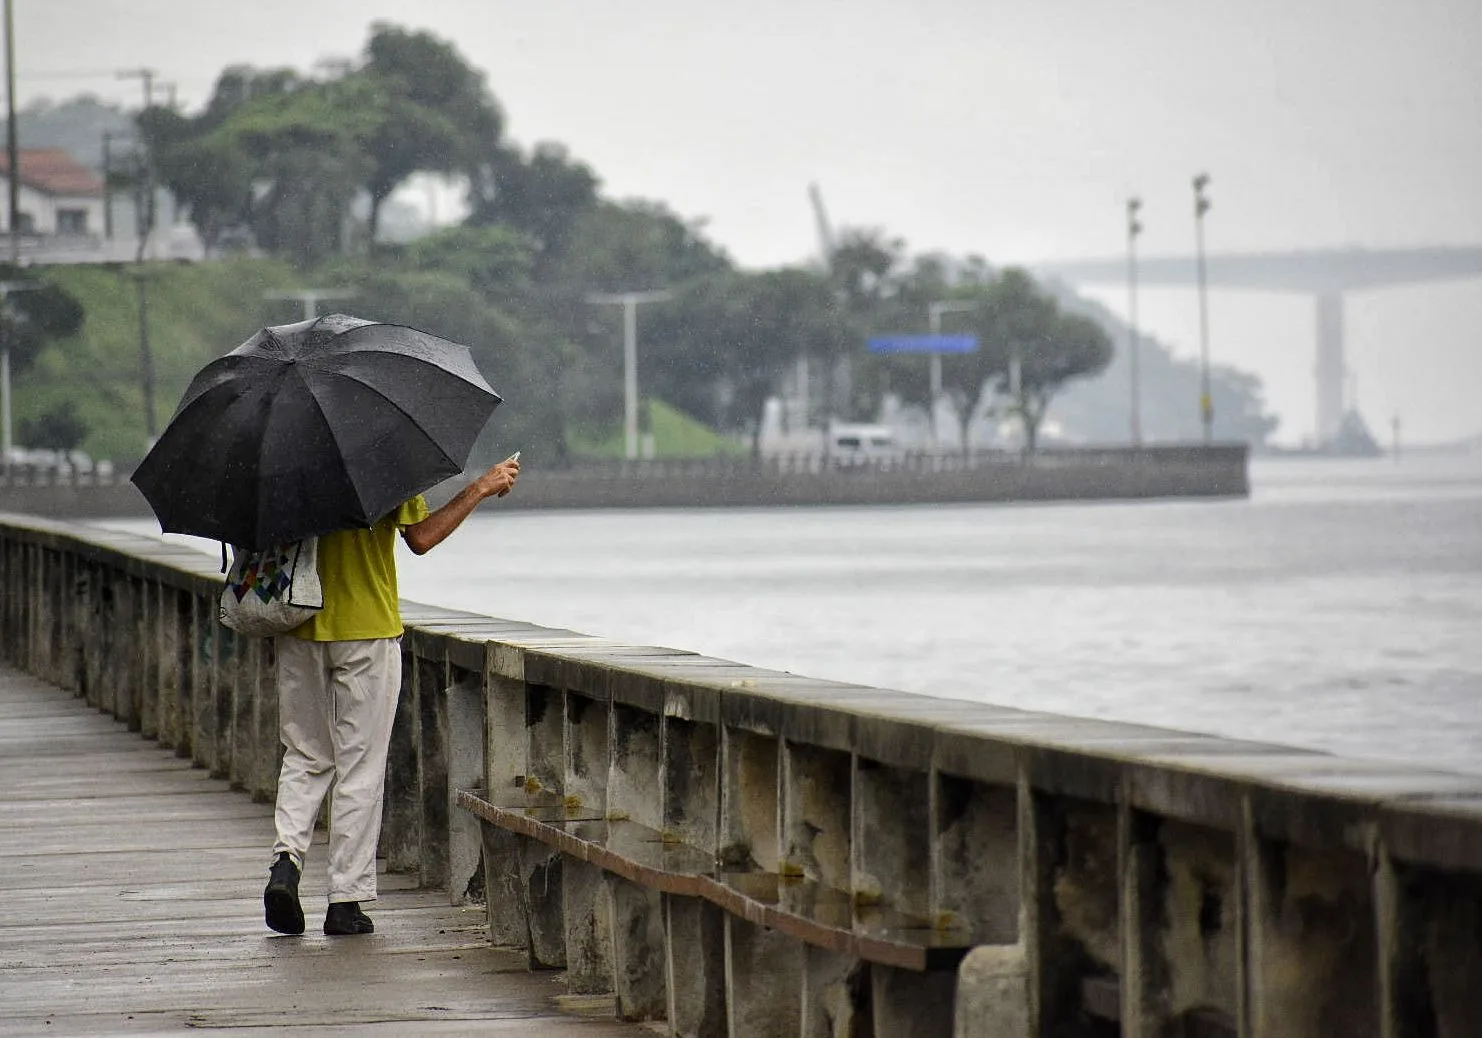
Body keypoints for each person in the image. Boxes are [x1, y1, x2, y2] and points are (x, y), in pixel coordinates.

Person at [262, 454, 521, 936]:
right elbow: (420, 537)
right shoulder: (380, 460)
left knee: (304, 754)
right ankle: (345, 900)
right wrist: (480, 488)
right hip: (367, 630)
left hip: (297, 625)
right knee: (359, 765)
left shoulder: (284, 463)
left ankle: (286, 862)